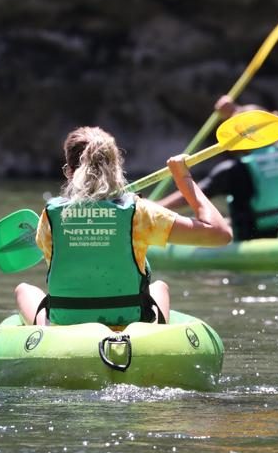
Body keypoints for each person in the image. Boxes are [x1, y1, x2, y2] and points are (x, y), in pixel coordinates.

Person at [15, 126, 232, 327]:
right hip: (130, 322)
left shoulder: (50, 216)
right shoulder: (140, 212)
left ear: (69, 171)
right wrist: (184, 179)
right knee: (159, 287)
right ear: (116, 168)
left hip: (68, 323)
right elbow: (220, 235)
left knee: (24, 290)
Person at [157, 95, 278, 241]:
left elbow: (189, 196)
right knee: (226, 220)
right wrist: (235, 110)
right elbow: (274, 132)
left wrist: (153, 208)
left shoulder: (232, 171)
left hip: (255, 236)